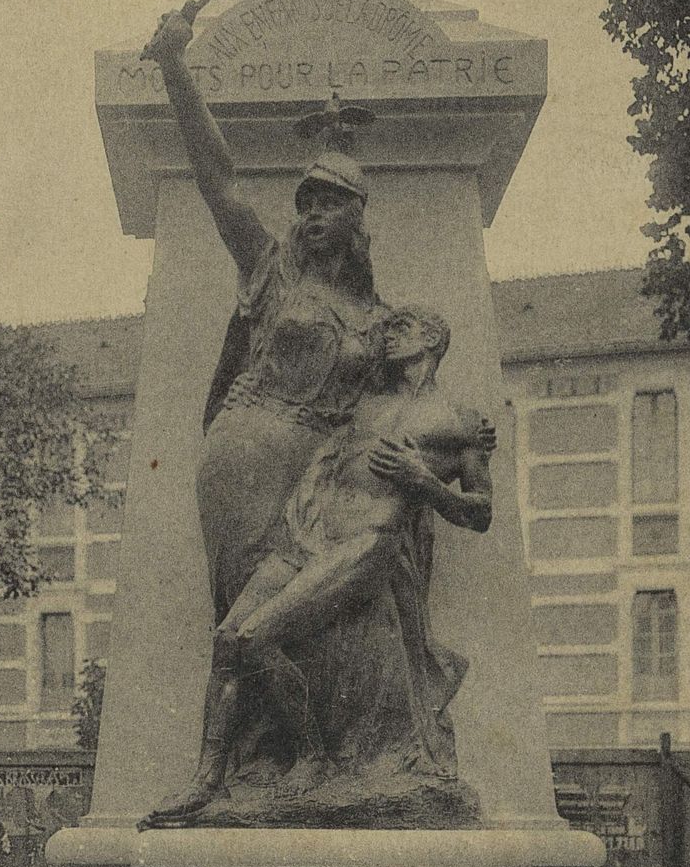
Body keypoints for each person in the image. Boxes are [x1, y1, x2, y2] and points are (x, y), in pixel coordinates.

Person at [140, 304, 494, 825]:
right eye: (388, 328)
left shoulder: (461, 422)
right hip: (306, 533)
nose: (390, 336)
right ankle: (204, 780)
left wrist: (424, 481)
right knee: (227, 639)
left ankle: (311, 755)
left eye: (404, 327)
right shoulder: (362, 400)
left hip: (367, 542)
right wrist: (235, 396)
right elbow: (288, 403)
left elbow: (482, 512)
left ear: (435, 338)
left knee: (257, 638)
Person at [142, 5, 389, 629]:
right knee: (250, 622)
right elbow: (219, 180)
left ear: (356, 220)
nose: (313, 215)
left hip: (321, 481)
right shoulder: (271, 270)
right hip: (247, 455)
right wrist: (176, 69)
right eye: (306, 203)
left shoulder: (380, 319)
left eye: (329, 204)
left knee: (319, 626)